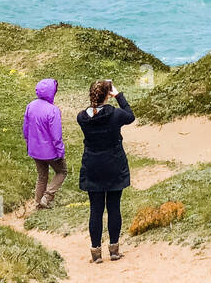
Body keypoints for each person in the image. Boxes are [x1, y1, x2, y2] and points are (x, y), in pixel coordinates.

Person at [77, 79, 134, 262]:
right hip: (114, 164)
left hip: (93, 165)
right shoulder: (115, 115)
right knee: (114, 207)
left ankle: (95, 252)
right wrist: (118, 95)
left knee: (96, 209)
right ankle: (114, 250)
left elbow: (93, 112)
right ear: (107, 95)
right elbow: (130, 116)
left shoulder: (82, 118)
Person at [21, 78, 66, 209]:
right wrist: (60, 151)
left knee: (42, 176)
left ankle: (37, 202)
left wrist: (28, 143)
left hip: (34, 149)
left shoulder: (30, 106)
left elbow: (25, 128)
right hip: (51, 151)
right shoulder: (53, 110)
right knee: (62, 171)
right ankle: (47, 197)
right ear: (52, 92)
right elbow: (56, 135)